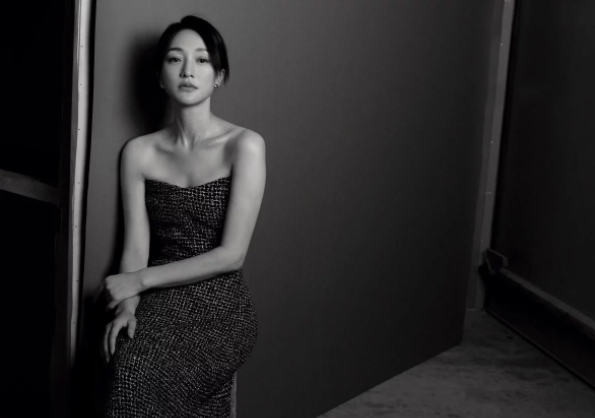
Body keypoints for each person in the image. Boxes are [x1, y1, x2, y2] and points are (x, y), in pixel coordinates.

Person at [101, 15, 265, 417]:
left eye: (202, 60)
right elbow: (136, 247)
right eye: (175, 59)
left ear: (218, 76)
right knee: (128, 369)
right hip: (160, 300)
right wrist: (127, 307)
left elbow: (232, 255)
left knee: (142, 378)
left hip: (221, 304)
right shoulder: (138, 153)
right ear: (161, 77)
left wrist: (138, 281)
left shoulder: (245, 146)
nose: (188, 70)